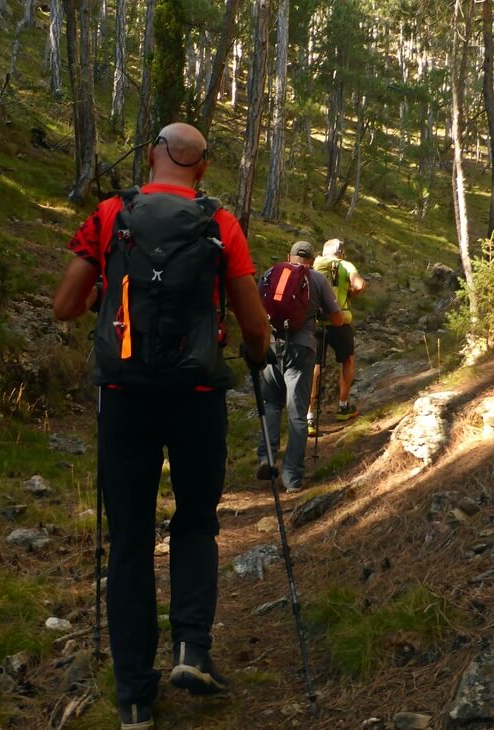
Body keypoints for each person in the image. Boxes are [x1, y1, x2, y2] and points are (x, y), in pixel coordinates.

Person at [52, 122, 270, 730]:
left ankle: (133, 697)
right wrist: (257, 359)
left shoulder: (109, 215)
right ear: (202, 168)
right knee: (196, 521)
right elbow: (253, 324)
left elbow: (64, 306)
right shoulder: (220, 223)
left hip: (124, 395)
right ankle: (192, 649)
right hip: (196, 395)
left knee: (129, 540)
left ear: (151, 156)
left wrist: (103, 294)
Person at [257, 241, 344, 492]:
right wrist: (320, 313)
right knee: (297, 412)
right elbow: (338, 319)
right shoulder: (317, 279)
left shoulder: (271, 273)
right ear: (313, 260)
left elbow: (256, 306)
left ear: (289, 256)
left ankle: (266, 458)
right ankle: (292, 477)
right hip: (302, 348)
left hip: (272, 346)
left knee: (271, 403)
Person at [307, 238, 367, 435]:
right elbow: (359, 285)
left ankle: (309, 416)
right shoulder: (345, 265)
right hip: (339, 321)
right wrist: (350, 293)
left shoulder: (315, 263)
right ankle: (343, 407)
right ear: (340, 253)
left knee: (314, 366)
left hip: (315, 322)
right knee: (347, 360)